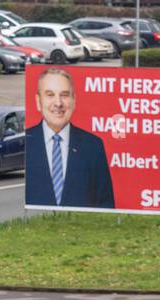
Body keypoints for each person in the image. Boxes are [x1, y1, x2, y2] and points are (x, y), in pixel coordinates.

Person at [24, 67, 115, 209]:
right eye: (50, 95)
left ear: (74, 101)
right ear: (38, 101)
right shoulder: (24, 143)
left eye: (64, 95)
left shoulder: (93, 146)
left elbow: (106, 206)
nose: (58, 103)